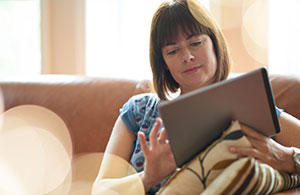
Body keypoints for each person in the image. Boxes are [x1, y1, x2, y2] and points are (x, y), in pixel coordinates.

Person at [92, 0, 300, 194]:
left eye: (196, 43)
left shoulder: (248, 105)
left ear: (214, 44)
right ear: (163, 63)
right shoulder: (140, 111)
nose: (187, 57)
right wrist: (147, 178)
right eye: (173, 51)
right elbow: (100, 189)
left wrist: (288, 159)